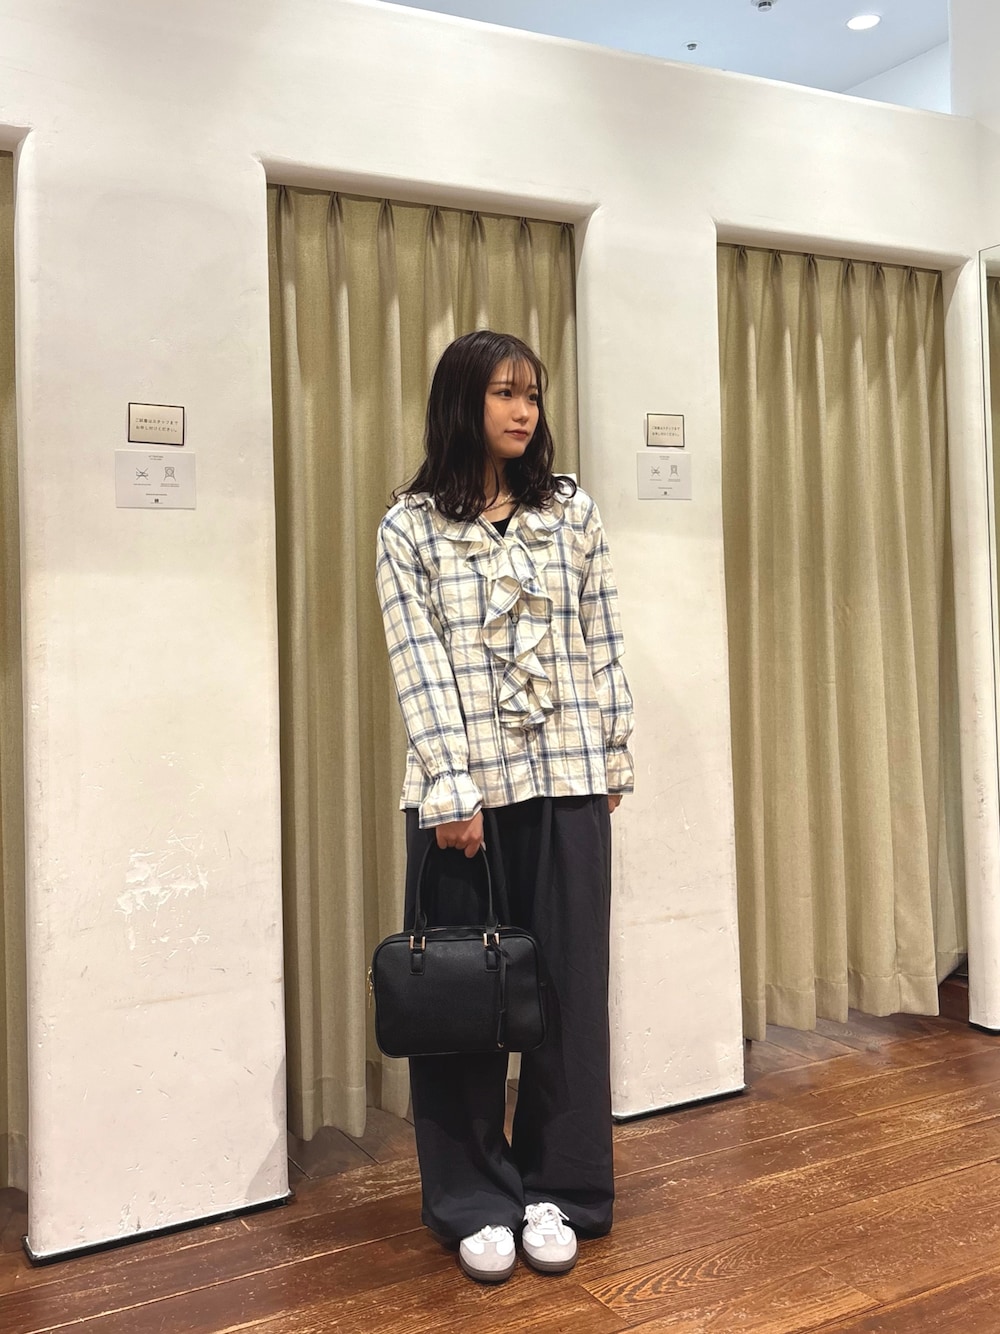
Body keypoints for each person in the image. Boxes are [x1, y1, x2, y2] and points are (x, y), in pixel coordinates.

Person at [376, 329, 634, 1284]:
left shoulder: (570, 512)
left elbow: (602, 634)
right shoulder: (409, 528)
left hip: (568, 782)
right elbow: (417, 665)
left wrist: (613, 752)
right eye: (504, 394)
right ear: (462, 403)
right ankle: (473, 1198)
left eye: (532, 394)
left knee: (569, 994)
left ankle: (563, 1186)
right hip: (466, 801)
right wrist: (452, 787)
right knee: (465, 1005)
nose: (524, 411)